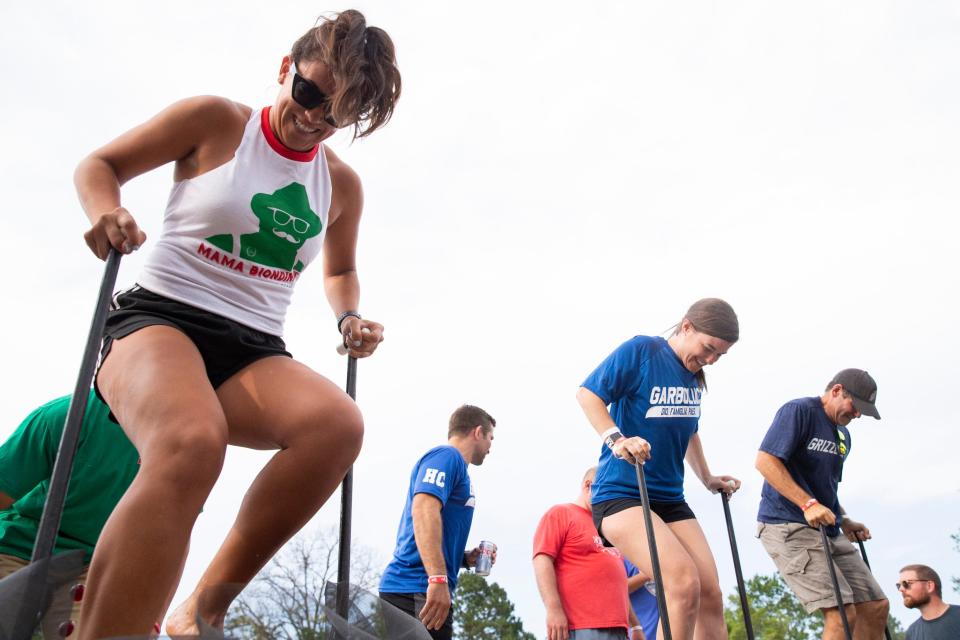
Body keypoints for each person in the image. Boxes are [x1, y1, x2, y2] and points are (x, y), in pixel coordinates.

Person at [71, 10, 401, 638]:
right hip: (159, 319)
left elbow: (339, 272)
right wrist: (106, 211)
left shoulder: (341, 185)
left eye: (336, 115)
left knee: (337, 425)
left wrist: (350, 315)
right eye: (308, 93)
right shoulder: (217, 121)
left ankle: (200, 611)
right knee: (193, 442)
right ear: (285, 68)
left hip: (253, 347)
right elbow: (99, 164)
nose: (314, 117)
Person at [576, 298, 741, 640]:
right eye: (708, 348)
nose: (710, 359)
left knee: (710, 592)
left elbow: (688, 429)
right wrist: (617, 439)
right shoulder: (643, 351)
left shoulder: (693, 377)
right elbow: (588, 394)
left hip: (668, 498)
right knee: (681, 582)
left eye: (719, 355)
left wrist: (707, 477)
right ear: (686, 327)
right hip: (623, 494)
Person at [755, 368, 889, 640]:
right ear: (837, 390)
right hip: (787, 525)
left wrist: (845, 518)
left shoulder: (843, 435)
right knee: (842, 613)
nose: (858, 414)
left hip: (827, 528)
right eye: (856, 406)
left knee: (875, 606)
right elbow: (765, 461)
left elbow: (825, 486)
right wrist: (807, 504)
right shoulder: (799, 411)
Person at [0, 392, 140, 637]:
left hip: (92, 566)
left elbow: (175, 534)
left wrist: (156, 611)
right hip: (18, 548)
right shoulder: (65, 415)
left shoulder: (187, 439)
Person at [379, 405, 497, 640]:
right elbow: (423, 508)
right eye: (490, 438)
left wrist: (464, 558)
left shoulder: (457, 468)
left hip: (426, 589)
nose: (490, 448)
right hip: (414, 587)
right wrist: (437, 578)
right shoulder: (447, 457)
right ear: (478, 432)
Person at [533, 467, 644, 640]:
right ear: (588, 486)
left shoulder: (608, 528)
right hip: (581, 626)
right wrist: (554, 609)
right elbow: (542, 558)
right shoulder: (561, 513)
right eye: (608, 493)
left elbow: (617, 582)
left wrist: (635, 625)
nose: (611, 500)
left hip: (619, 629)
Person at [898, 564, 960, 640]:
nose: (901, 589)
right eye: (898, 585)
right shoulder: (912, 633)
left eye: (906, 584)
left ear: (929, 586)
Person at [624, 558, 660, 640]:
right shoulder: (622, 558)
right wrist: (645, 576)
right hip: (642, 633)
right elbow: (615, 590)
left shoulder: (668, 555)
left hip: (669, 631)